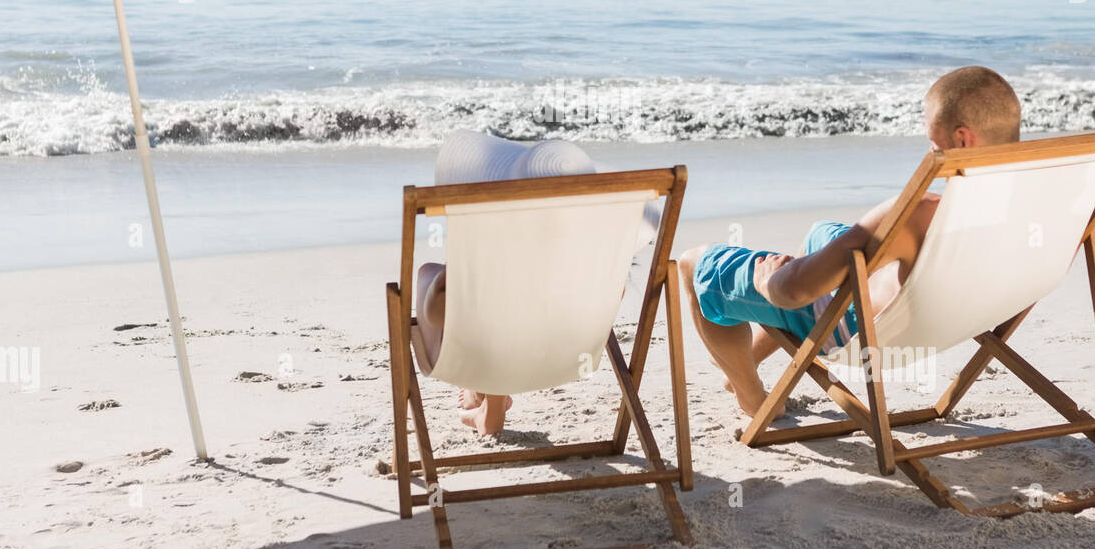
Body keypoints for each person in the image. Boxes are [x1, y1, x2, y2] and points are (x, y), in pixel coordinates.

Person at [679, 66, 1022, 417]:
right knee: (822, 232)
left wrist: (771, 281)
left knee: (695, 264)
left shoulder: (919, 215)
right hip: (961, 319)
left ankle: (753, 398)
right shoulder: (1051, 205)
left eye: (934, 144)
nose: (929, 152)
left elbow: (794, 292)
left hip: (861, 331)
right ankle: (747, 357)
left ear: (963, 140)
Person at [416, 131, 658, 436]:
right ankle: (488, 404)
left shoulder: (495, 243)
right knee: (506, 299)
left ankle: (485, 394)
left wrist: (440, 277)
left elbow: (440, 311)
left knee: (441, 281)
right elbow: (615, 297)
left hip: (491, 343)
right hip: (568, 352)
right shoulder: (595, 254)